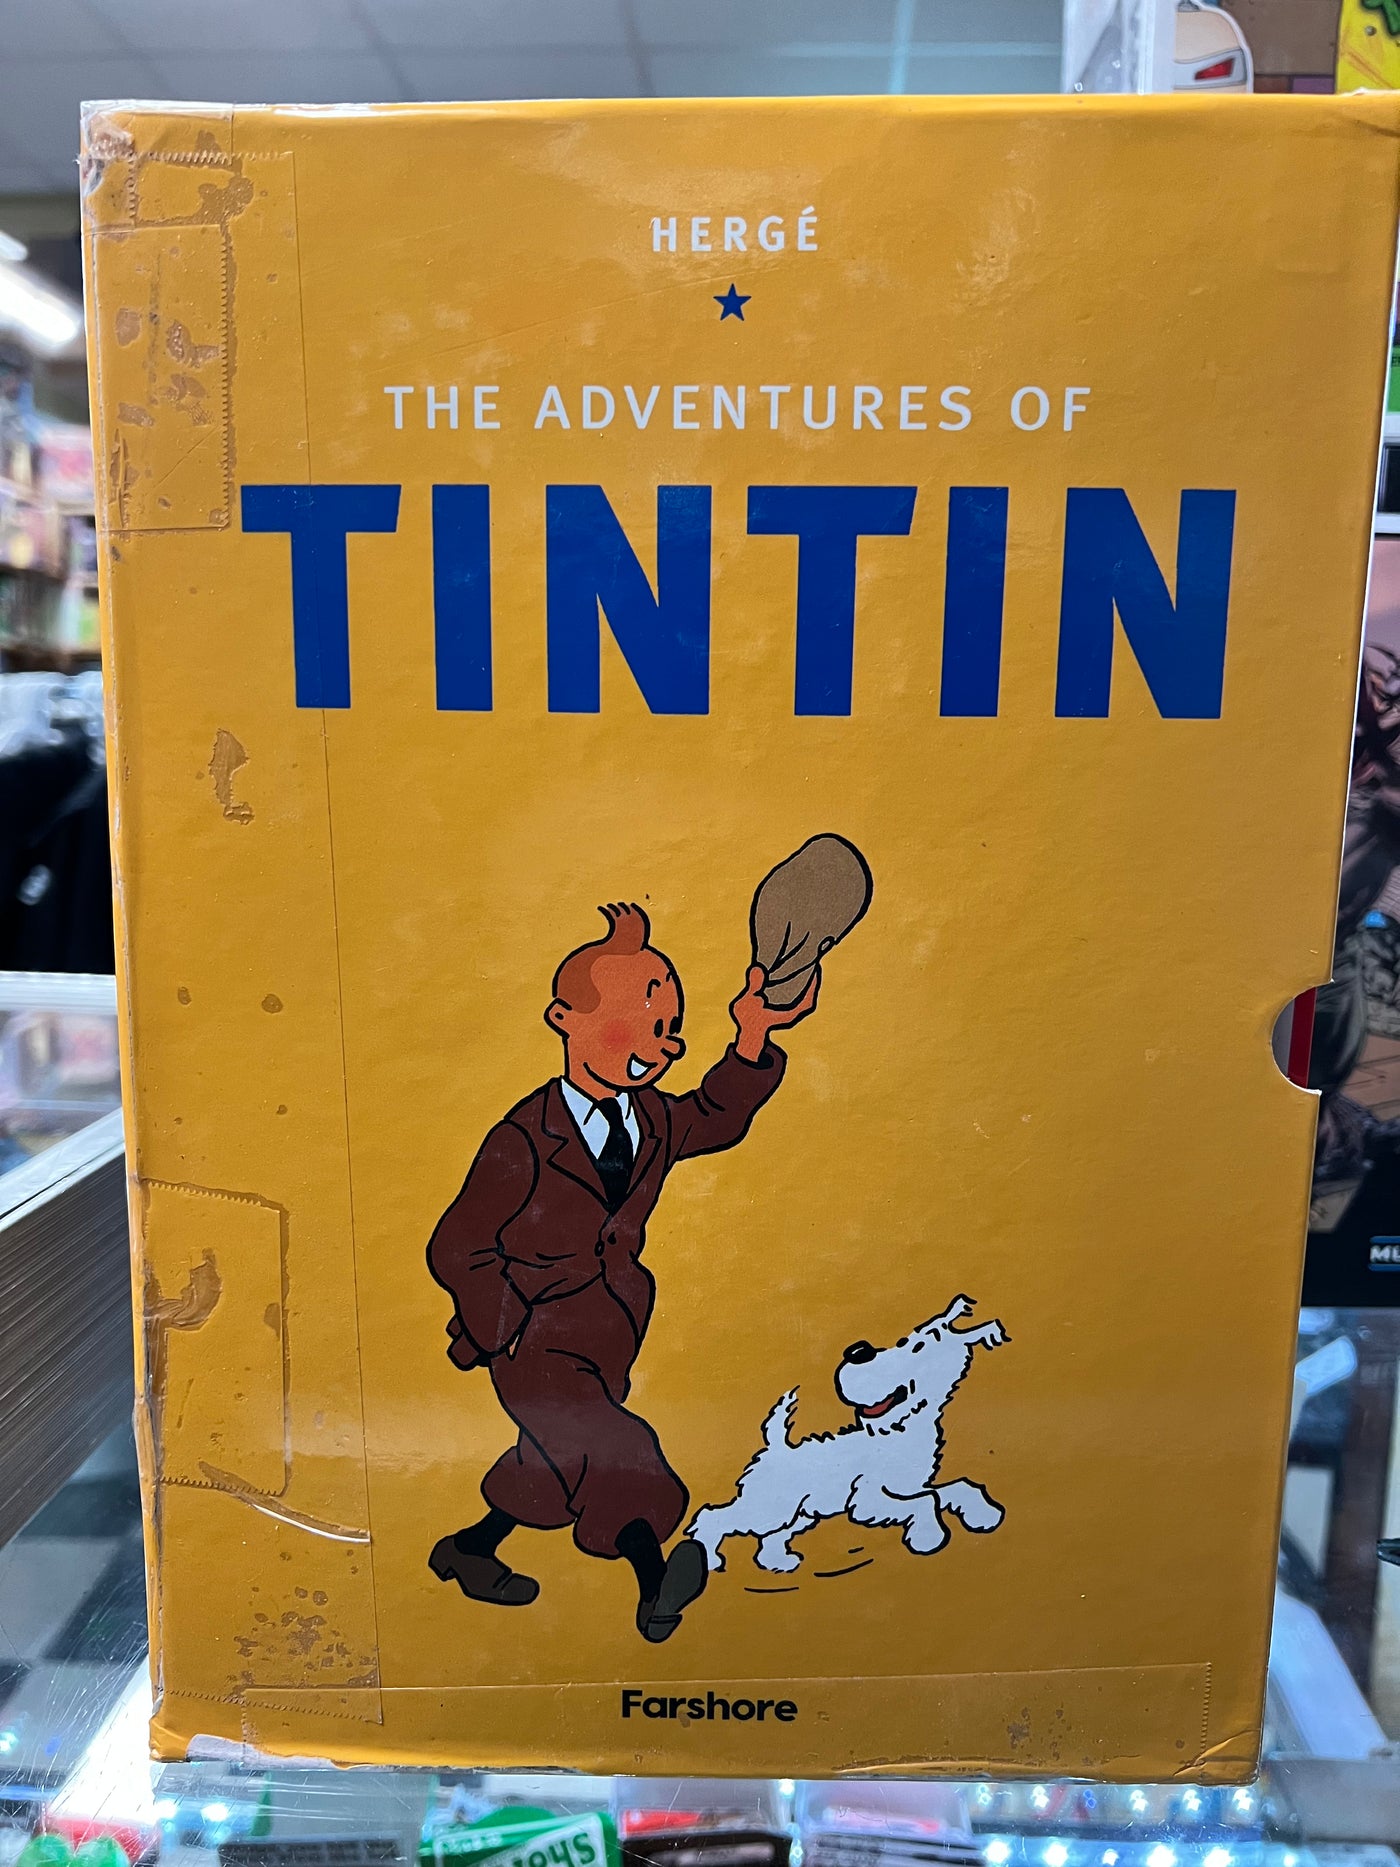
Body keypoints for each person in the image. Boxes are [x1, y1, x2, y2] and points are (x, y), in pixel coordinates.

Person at [426, 901, 818, 1641]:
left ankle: (470, 1549)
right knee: (614, 1449)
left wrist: (752, 1034)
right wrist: (504, 1328)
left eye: (667, 1028)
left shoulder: (654, 1120)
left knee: (555, 1459)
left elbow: (716, 1114)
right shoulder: (523, 1138)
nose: (661, 1045)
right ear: (565, 1019)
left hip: (610, 1332)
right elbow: (458, 1243)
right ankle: (655, 1583)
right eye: (637, 1023)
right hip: (531, 1341)